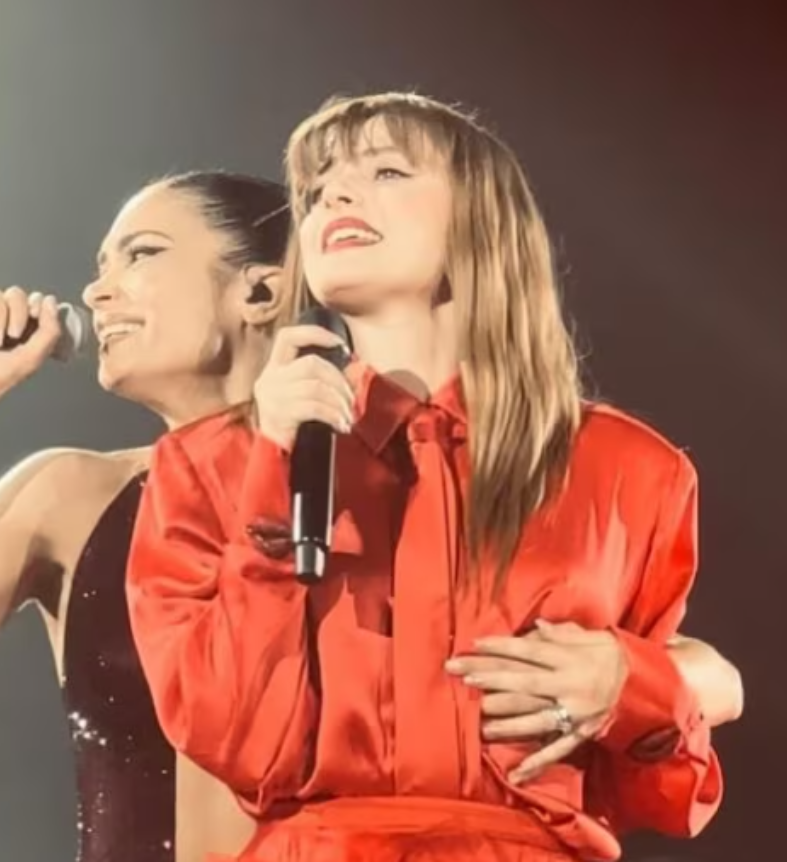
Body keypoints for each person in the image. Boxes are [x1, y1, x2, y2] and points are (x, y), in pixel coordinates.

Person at [125, 94, 733, 862]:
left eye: (385, 170)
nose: (334, 197)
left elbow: (657, 794)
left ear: (483, 218)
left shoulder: (631, 471)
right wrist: (273, 474)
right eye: (316, 188)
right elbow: (233, 738)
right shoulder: (211, 464)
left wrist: (628, 686)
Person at [0, 171, 291, 862]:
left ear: (262, 291)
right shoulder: (71, 494)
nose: (96, 292)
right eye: (99, 266)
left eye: (142, 254)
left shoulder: (361, 492)